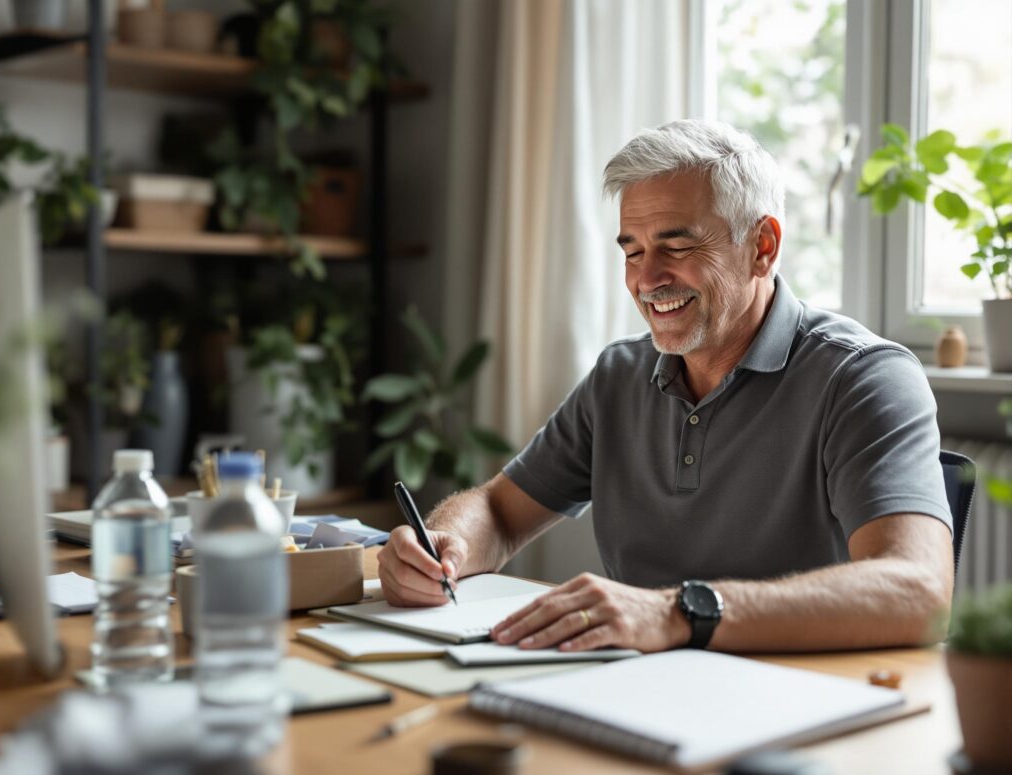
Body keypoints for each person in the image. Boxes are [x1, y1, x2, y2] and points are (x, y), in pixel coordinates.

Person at [378, 119, 954, 654]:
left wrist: (679, 614)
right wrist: (443, 545)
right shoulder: (618, 377)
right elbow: (500, 514)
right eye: (632, 251)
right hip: (640, 693)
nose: (646, 279)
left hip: (804, 707)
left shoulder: (864, 377)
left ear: (763, 247)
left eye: (676, 247)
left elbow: (920, 591)